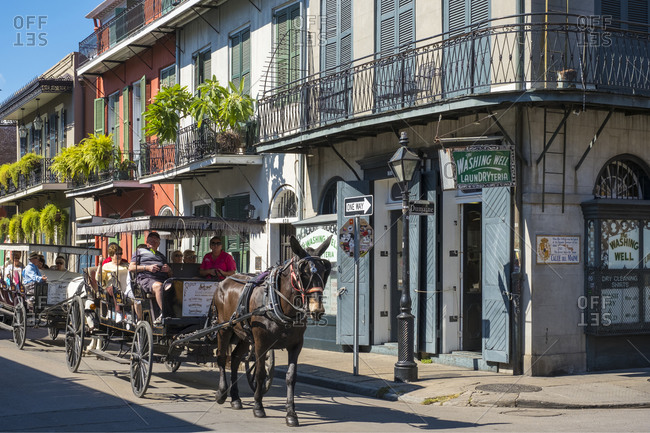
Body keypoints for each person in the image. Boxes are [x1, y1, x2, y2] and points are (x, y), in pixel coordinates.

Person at [129, 232, 172, 323]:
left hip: (162, 279)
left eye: (156, 239)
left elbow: (171, 274)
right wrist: (147, 267)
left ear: (159, 243)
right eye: (151, 239)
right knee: (158, 286)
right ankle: (165, 314)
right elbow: (131, 268)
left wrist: (168, 270)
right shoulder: (139, 252)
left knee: (175, 286)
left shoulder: (161, 256)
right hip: (146, 279)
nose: (153, 241)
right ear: (147, 241)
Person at [97, 244, 129, 323]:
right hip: (110, 287)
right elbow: (99, 279)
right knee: (115, 288)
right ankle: (118, 312)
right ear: (111, 255)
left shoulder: (126, 265)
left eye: (120, 253)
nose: (119, 256)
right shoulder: (106, 266)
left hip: (125, 286)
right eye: (117, 254)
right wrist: (100, 265)